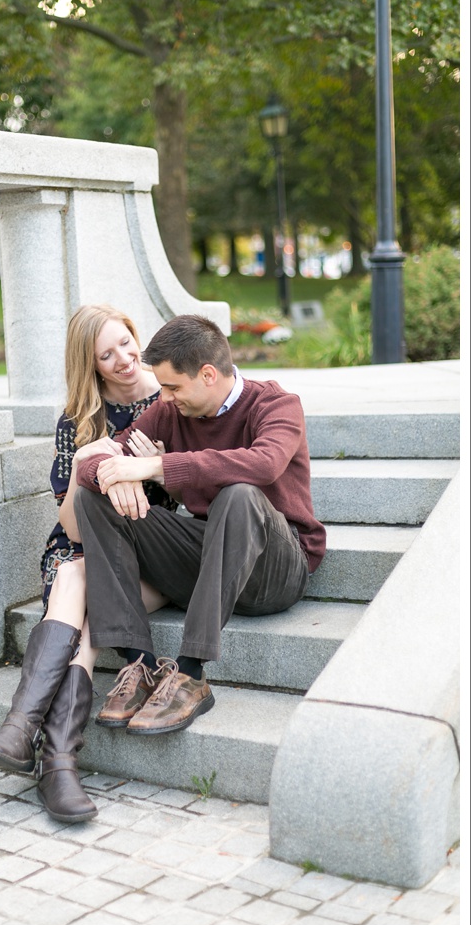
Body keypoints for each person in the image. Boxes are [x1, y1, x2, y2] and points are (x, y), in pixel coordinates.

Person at [74, 314, 327, 736]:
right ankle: (140, 664)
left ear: (208, 374)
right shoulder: (169, 411)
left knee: (241, 493)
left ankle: (191, 673)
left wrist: (154, 466)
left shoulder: (276, 404)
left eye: (173, 387)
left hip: (275, 570)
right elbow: (101, 461)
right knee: (92, 497)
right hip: (211, 560)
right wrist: (110, 476)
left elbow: (263, 464)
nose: (165, 398)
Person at [0, 305, 171, 821]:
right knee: (76, 572)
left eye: (126, 343)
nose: (124, 359)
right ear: (91, 365)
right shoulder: (78, 420)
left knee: (82, 584)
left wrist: (139, 468)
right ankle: (56, 761)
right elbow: (75, 529)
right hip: (80, 549)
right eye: (106, 355)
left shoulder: (170, 398)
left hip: (150, 554)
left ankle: (26, 733)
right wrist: (89, 463)